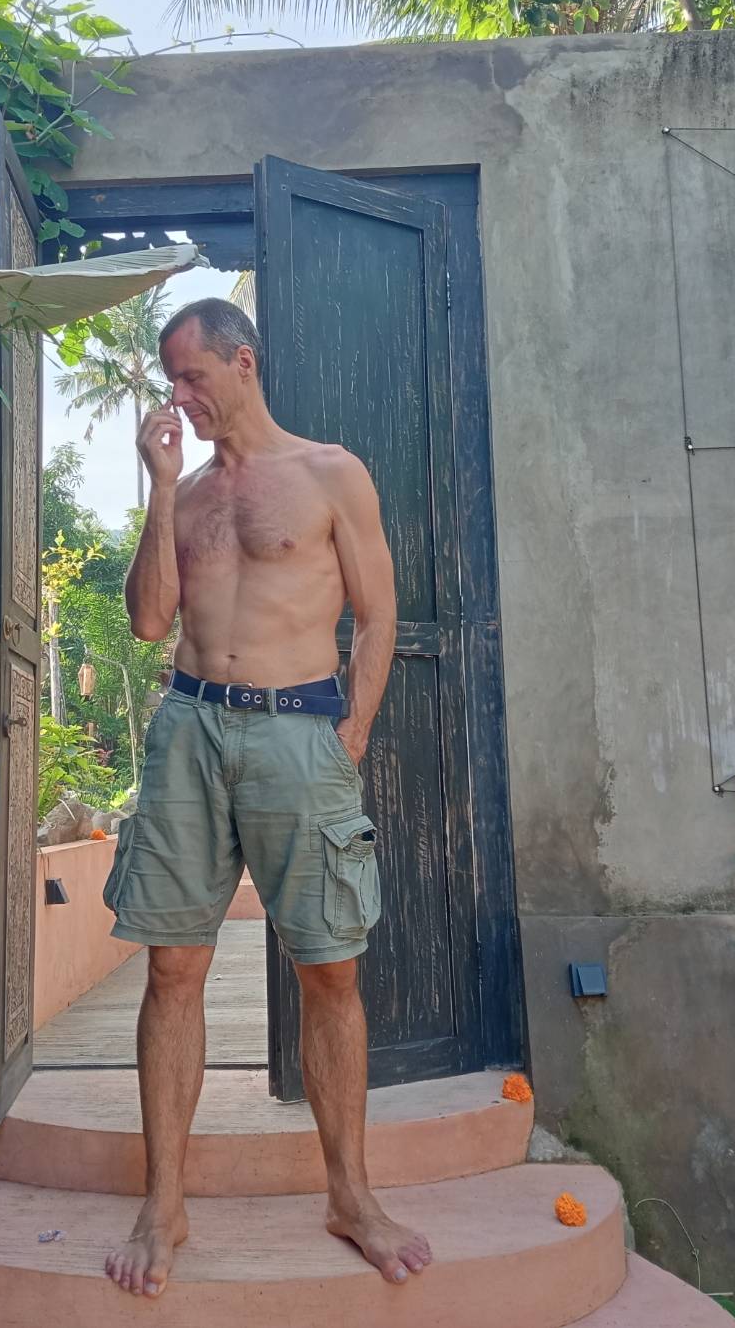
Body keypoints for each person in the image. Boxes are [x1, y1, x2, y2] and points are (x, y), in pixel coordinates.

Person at [103, 297, 431, 1299]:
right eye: (171, 379)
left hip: (299, 730)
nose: (180, 396)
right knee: (171, 970)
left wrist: (353, 733)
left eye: (192, 374)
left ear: (242, 363)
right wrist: (160, 487)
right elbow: (149, 621)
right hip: (190, 728)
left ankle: (351, 1196)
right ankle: (164, 1202)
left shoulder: (331, 473)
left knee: (329, 970)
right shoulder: (189, 492)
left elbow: (378, 616)